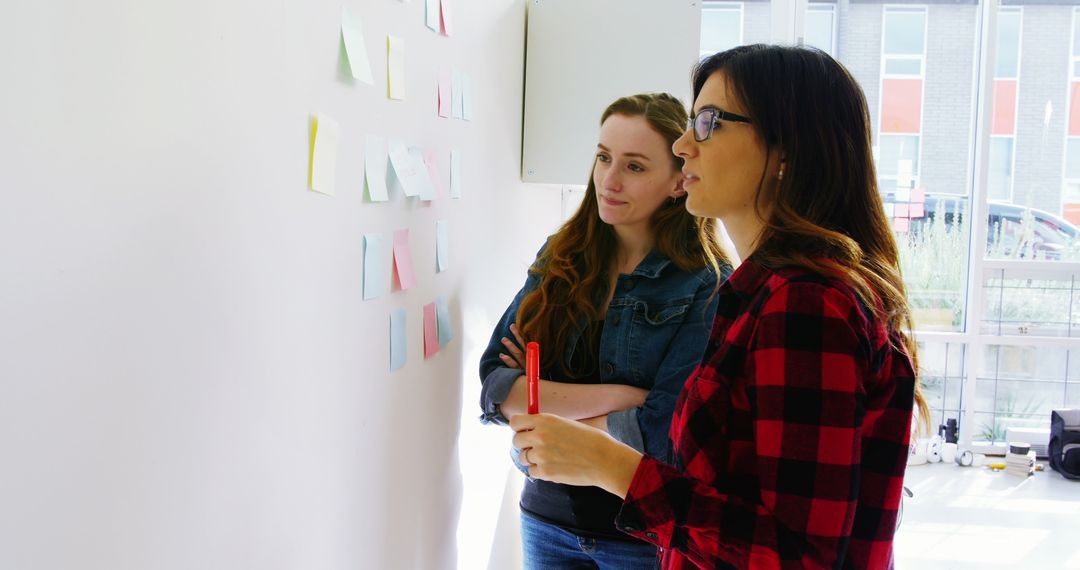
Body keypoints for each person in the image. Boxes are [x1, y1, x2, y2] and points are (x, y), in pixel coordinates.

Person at [510, 45, 929, 569]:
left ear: (786, 150)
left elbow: (800, 558)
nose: (684, 145)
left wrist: (612, 466)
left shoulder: (805, 304)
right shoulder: (762, 293)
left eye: (709, 123)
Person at [479, 92, 731, 568]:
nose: (609, 181)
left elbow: (664, 431)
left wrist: (543, 411)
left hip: (639, 535)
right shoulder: (562, 255)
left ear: (679, 181)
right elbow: (494, 384)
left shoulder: (707, 283)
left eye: (634, 167)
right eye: (603, 158)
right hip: (545, 520)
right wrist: (625, 395)